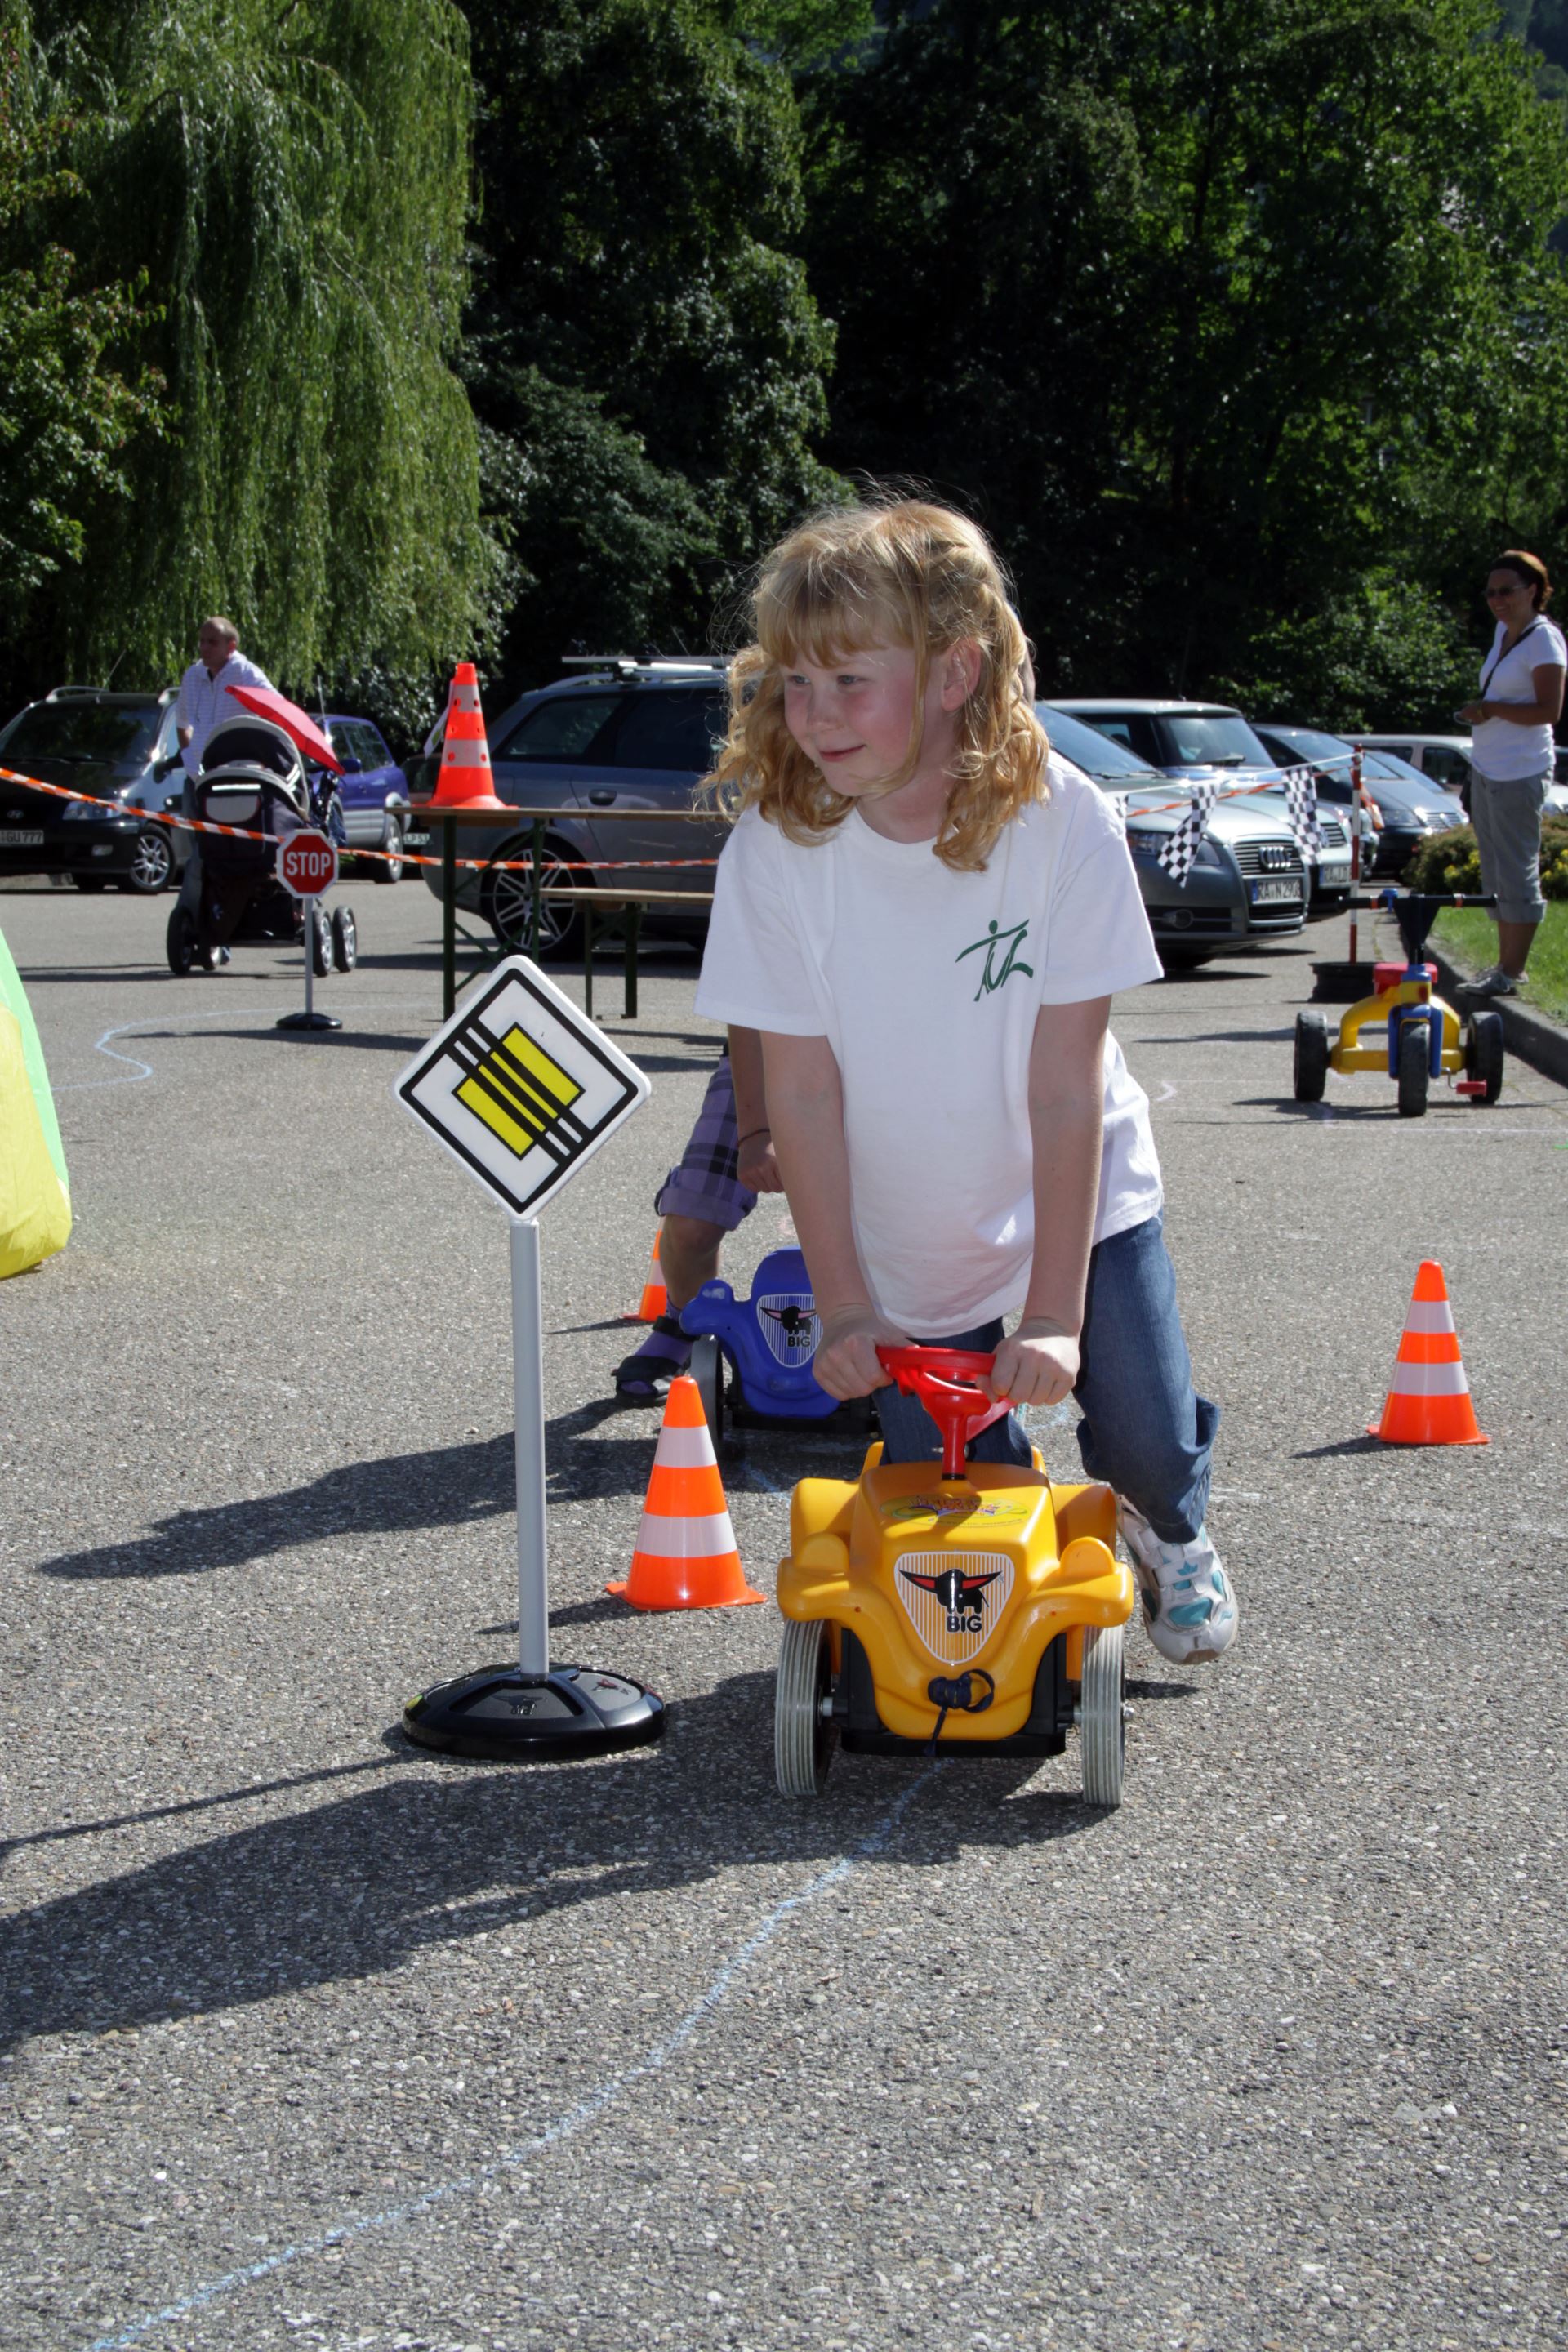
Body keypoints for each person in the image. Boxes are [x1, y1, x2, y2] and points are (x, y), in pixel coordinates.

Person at [693, 497, 1235, 1665]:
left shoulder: (1060, 826)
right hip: (906, 1221)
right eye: (795, 681)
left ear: (955, 671)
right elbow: (809, 1097)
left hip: (1077, 1196)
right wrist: (841, 1304)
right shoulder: (776, 852)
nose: (815, 714)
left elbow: (1061, 1086)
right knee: (951, 1505)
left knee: (1138, 1436)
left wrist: (1052, 1317)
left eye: (850, 681)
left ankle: (1169, 1527)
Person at [613, 1029, 783, 1398]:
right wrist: (755, 1132)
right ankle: (686, 1326)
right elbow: (745, 1000)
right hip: (764, 1052)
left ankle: (909, 1343)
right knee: (692, 1224)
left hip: (884, 1060)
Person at [1456, 550, 1565, 997]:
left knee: (1517, 870)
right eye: (1490, 593)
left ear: (1533, 591)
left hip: (1521, 771)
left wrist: (1490, 709)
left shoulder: (1544, 640)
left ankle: (1512, 971)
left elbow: (1549, 710)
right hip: (1488, 767)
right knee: (1497, 872)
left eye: (1507, 591)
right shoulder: (1504, 631)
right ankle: (1503, 965)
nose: (1497, 600)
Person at [172, 618, 274, 965]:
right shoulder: (193, 676)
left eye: (211, 642)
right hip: (197, 782)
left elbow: (275, 714)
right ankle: (197, 928)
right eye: (200, 641)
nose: (203, 649)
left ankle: (220, 929)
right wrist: (189, 757)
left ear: (231, 646)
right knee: (199, 857)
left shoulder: (247, 675)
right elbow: (182, 722)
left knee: (233, 857)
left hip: (234, 783)